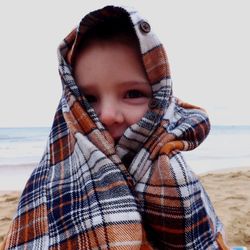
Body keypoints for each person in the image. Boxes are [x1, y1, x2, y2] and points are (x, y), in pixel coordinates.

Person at [2, 5, 229, 249]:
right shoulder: (52, 178)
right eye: (88, 99)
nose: (108, 116)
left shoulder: (171, 170)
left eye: (132, 93)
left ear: (160, 99)